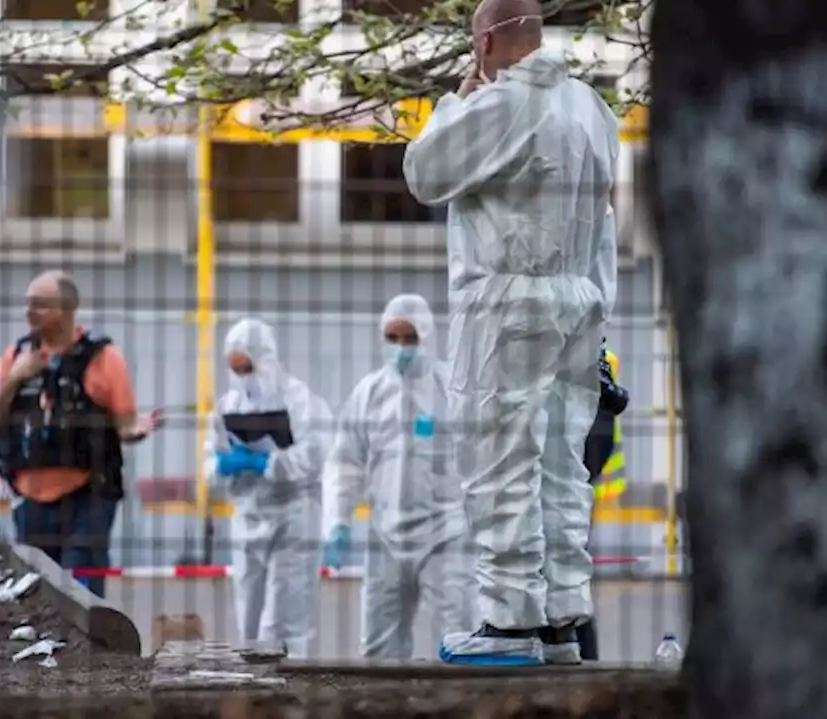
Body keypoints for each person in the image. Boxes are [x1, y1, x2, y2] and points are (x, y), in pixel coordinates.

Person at [403, 0, 619, 665]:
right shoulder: (592, 109)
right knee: (560, 464)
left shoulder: (503, 104)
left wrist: (456, 103)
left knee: (500, 457)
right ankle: (559, 620)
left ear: (487, 41)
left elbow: (424, 172)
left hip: (508, 303)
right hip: (579, 300)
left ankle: (507, 623)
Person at [0, 271, 161, 598]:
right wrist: (16, 377)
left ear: (66, 309)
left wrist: (137, 430)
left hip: (87, 496)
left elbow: (125, 423)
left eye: (39, 304)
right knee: (35, 593)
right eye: (27, 304)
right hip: (30, 500)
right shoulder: (16, 356)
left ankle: (89, 649)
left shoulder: (102, 358)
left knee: (81, 592)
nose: (28, 312)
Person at [322, 295, 475, 659]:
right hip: (385, 535)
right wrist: (337, 523)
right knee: (379, 644)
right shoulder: (369, 393)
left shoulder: (451, 388)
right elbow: (346, 463)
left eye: (409, 338)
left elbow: (480, 458)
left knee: (459, 636)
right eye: (392, 338)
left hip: (445, 533)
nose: (401, 347)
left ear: (426, 336)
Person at [203, 318, 332, 658]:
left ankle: (291, 693)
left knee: (284, 619)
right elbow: (208, 462)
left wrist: (269, 463)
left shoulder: (300, 400)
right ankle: (252, 693)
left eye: (246, 367)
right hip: (247, 518)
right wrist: (222, 465)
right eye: (234, 368)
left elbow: (316, 454)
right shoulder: (227, 407)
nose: (241, 375)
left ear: (266, 360)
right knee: (248, 616)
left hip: (293, 518)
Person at [575, 342, 629, 660]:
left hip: (573, 492)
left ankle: (582, 656)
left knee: (570, 581)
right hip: (575, 488)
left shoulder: (596, 364)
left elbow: (600, 433)